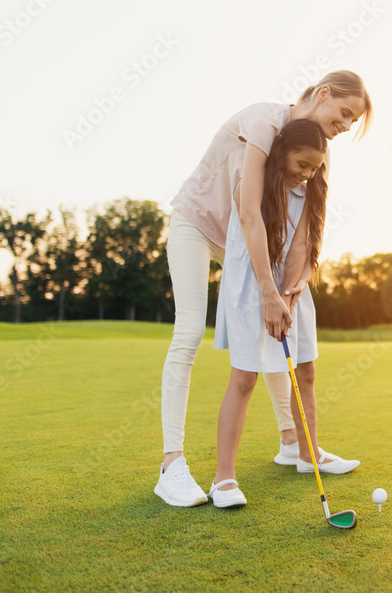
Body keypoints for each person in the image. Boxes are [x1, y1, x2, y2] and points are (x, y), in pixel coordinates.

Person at [154, 71, 373, 508]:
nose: (346, 125)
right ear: (323, 94)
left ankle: (294, 443)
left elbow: (307, 232)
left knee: (274, 332)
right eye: (345, 112)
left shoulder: (316, 152)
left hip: (243, 239)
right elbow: (251, 215)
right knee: (190, 330)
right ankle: (171, 465)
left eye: (353, 122)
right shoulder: (263, 123)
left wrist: (288, 290)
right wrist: (269, 294)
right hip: (199, 226)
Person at [210, 119, 357, 508]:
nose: (306, 174)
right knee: (244, 379)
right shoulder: (254, 184)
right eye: (301, 164)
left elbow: (302, 249)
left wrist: (290, 294)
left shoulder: (309, 193)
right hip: (251, 284)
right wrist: (269, 295)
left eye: (314, 168)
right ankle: (224, 478)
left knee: (305, 370)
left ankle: (307, 455)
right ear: (282, 153)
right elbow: (248, 225)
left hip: (288, 287)